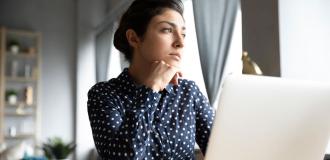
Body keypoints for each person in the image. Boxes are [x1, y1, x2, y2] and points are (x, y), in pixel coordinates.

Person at [87, 0, 215, 159]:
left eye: (183, 34)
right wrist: (151, 88)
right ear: (134, 38)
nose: (180, 43)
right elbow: (124, 157)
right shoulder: (104, 95)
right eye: (167, 30)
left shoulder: (188, 92)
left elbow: (224, 149)